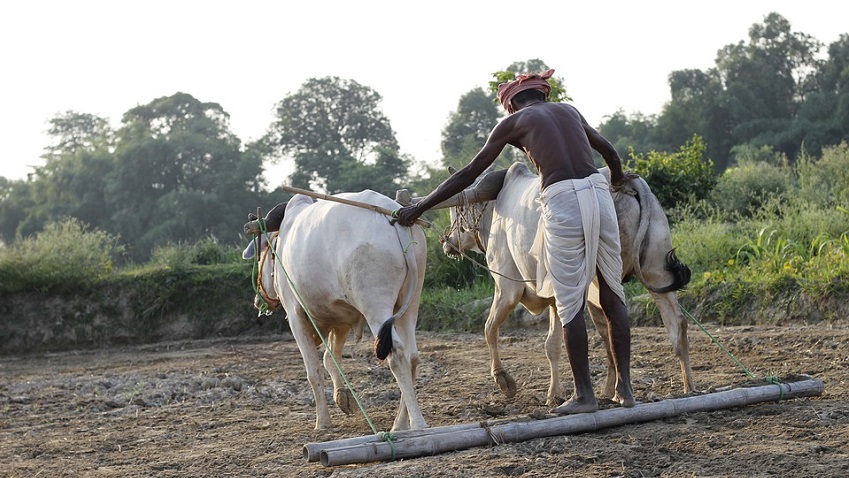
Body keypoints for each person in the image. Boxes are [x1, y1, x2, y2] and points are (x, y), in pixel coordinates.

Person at [394, 69, 638, 414]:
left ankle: (584, 396)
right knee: (612, 293)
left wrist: (420, 206)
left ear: (511, 106)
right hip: (598, 192)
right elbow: (609, 150)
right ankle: (626, 392)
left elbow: (468, 174)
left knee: (570, 303)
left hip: (561, 198)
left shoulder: (511, 124)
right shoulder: (569, 111)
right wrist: (615, 178)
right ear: (544, 95)